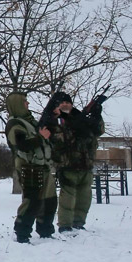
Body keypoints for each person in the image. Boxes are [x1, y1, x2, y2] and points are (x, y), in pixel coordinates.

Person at [47, 92, 104, 232]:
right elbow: (55, 139)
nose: (65, 105)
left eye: (68, 102)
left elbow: (99, 130)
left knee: (84, 197)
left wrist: (97, 115)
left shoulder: (82, 118)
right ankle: (65, 225)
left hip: (85, 164)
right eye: (62, 103)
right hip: (66, 165)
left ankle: (79, 223)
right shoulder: (53, 120)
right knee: (68, 197)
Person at [5, 92, 57, 243]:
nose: (27, 104)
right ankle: (22, 233)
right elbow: (21, 145)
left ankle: (45, 230)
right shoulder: (14, 124)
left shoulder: (30, 121)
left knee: (49, 200)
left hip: (43, 166)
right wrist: (41, 137)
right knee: (32, 201)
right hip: (29, 167)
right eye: (24, 102)